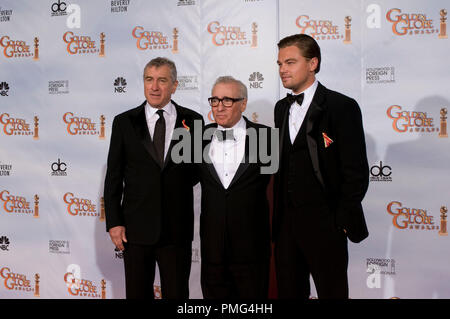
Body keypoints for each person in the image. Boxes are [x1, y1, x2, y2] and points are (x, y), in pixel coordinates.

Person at [273, 34, 369, 299]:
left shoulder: (342, 106)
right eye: (280, 63)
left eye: (290, 62)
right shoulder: (281, 108)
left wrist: (339, 220)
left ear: (313, 63)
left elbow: (356, 172)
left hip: (327, 225)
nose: (282, 69)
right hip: (286, 229)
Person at [103, 57, 203, 299]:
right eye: (149, 79)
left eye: (162, 80)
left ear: (175, 85)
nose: (154, 86)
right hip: (135, 230)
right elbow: (114, 176)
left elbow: (195, 172)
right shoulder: (124, 122)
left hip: (176, 231)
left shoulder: (193, 121)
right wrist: (114, 222)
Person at [198, 76, 273, 299]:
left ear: (243, 103)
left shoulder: (267, 138)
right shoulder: (197, 138)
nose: (219, 107)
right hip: (212, 248)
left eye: (227, 100)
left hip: (252, 247)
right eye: (214, 100)